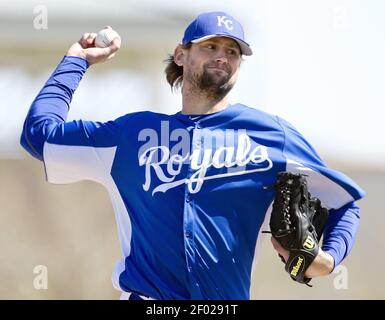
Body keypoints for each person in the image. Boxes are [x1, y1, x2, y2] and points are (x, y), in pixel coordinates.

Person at [20, 11, 365, 300]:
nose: (222, 56)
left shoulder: (270, 135)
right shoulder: (131, 136)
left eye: (232, 52)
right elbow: (39, 135)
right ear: (181, 55)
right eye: (211, 45)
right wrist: (76, 61)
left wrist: (328, 259)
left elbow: (346, 202)